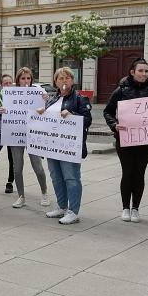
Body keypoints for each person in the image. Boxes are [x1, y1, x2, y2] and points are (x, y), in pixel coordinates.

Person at [103, 58, 148, 223]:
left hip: (146, 140)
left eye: (146, 71)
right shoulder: (121, 90)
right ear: (132, 72)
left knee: (139, 173)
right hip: (125, 138)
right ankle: (125, 208)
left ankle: (136, 208)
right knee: (127, 172)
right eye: (140, 71)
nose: (144, 74)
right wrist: (114, 125)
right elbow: (108, 111)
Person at [40, 67, 92, 224]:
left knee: (71, 178)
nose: (64, 81)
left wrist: (72, 115)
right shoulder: (52, 99)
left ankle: (73, 211)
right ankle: (62, 207)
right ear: (55, 82)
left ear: (72, 80)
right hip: (52, 145)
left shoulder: (79, 98)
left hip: (69, 147)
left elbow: (87, 120)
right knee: (56, 178)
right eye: (60, 78)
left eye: (67, 78)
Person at [9, 67, 50, 209]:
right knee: (17, 168)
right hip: (16, 134)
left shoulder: (39, 92)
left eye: (28, 78)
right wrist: (2, 110)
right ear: (18, 80)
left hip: (33, 135)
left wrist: (47, 100)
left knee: (38, 167)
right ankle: (21, 196)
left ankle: (44, 192)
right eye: (23, 78)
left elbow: (48, 109)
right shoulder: (11, 93)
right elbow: (7, 110)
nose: (26, 81)